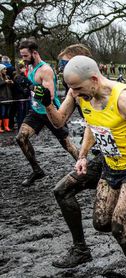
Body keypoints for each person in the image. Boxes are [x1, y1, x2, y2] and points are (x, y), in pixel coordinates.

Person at [37, 44, 126, 270]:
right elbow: (82, 124)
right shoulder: (81, 94)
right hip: (110, 166)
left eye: (77, 88)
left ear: (94, 79)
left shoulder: (123, 98)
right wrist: (81, 155)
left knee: (119, 228)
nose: (74, 93)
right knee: (101, 223)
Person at [15, 39, 78, 186]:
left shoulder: (46, 70)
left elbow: (47, 96)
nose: (23, 59)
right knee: (21, 138)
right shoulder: (30, 67)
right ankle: (37, 171)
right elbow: (30, 89)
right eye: (22, 56)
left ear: (34, 53)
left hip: (51, 112)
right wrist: (24, 86)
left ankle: (85, 168)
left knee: (67, 144)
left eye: (25, 56)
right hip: (36, 111)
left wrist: (29, 85)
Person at [13, 62, 31, 129]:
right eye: (23, 68)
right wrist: (25, 92)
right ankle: (20, 127)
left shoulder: (23, 76)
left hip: (24, 97)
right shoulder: (18, 77)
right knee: (21, 114)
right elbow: (19, 88)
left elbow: (29, 84)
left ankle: (22, 126)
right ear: (20, 69)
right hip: (20, 98)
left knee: (24, 113)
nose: (25, 69)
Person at [0, 65, 12, 132]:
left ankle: (6, 126)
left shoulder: (6, 77)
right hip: (1, 98)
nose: (6, 70)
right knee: (2, 113)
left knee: (7, 113)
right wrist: (5, 82)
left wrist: (11, 82)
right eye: (4, 69)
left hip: (8, 98)